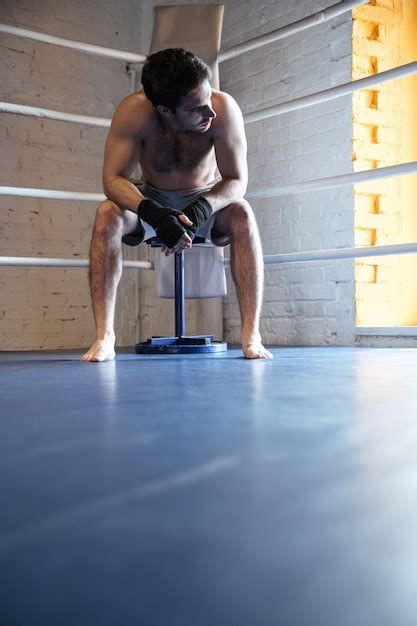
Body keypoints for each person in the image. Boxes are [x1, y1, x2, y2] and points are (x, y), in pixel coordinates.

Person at [81, 48, 272, 362]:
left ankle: (251, 335)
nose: (209, 114)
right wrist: (153, 213)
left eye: (208, 100)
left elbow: (237, 180)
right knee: (107, 214)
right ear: (165, 111)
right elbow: (113, 179)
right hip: (152, 197)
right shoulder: (134, 113)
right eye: (197, 109)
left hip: (207, 198)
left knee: (243, 213)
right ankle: (105, 337)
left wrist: (201, 209)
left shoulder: (223, 110)